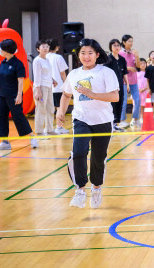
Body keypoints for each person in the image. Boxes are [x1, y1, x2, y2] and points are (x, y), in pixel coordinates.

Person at [56, 39, 120, 209]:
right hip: (81, 119)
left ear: (97, 54)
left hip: (103, 120)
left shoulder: (106, 72)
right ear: (78, 55)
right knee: (78, 152)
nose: (86, 56)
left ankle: (96, 188)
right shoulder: (74, 74)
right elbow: (66, 94)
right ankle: (80, 190)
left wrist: (92, 94)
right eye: (83, 53)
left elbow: (115, 97)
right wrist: (60, 111)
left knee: (98, 158)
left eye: (90, 53)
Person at [0, 39, 37, 151]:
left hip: (13, 96)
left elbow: (20, 81)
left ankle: (32, 137)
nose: (1, 51)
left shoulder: (18, 64)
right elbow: (1, 79)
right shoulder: (2, 63)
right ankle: (4, 142)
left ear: (8, 51)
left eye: (2, 49)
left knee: (18, 117)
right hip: (2, 96)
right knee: (1, 117)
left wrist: (19, 95)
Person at [32, 40, 56, 139]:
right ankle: (40, 132)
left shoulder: (47, 60)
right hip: (40, 87)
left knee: (50, 108)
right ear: (38, 49)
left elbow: (47, 73)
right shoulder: (37, 60)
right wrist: (38, 90)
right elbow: (37, 76)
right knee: (40, 109)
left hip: (48, 86)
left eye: (47, 46)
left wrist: (52, 80)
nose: (46, 48)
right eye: (43, 47)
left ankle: (50, 130)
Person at [46, 39, 70, 134]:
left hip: (48, 87)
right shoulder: (58, 57)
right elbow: (62, 73)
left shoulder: (44, 57)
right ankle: (59, 128)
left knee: (49, 109)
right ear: (57, 47)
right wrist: (66, 84)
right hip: (58, 87)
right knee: (60, 108)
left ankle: (49, 128)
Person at [119, 35, 141, 128]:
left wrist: (137, 56)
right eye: (129, 41)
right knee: (123, 101)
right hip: (124, 80)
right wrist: (128, 68)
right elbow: (119, 67)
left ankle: (135, 119)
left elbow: (138, 68)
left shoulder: (133, 52)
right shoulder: (120, 53)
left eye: (132, 41)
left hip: (134, 81)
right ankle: (122, 120)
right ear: (124, 42)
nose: (131, 43)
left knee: (137, 100)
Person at [107, 39, 128, 131]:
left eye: (118, 45)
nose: (116, 47)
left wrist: (127, 84)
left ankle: (115, 123)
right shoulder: (108, 59)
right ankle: (110, 124)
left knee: (120, 103)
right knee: (112, 104)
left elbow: (125, 73)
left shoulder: (122, 59)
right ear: (111, 47)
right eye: (114, 45)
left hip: (120, 85)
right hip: (110, 86)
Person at [137, 58, 149, 123]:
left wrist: (144, 89)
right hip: (139, 91)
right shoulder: (137, 73)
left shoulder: (147, 73)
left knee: (146, 105)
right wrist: (138, 89)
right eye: (141, 63)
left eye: (144, 63)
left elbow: (149, 82)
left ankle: (147, 117)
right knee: (140, 105)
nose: (143, 65)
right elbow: (135, 82)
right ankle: (141, 117)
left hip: (146, 91)